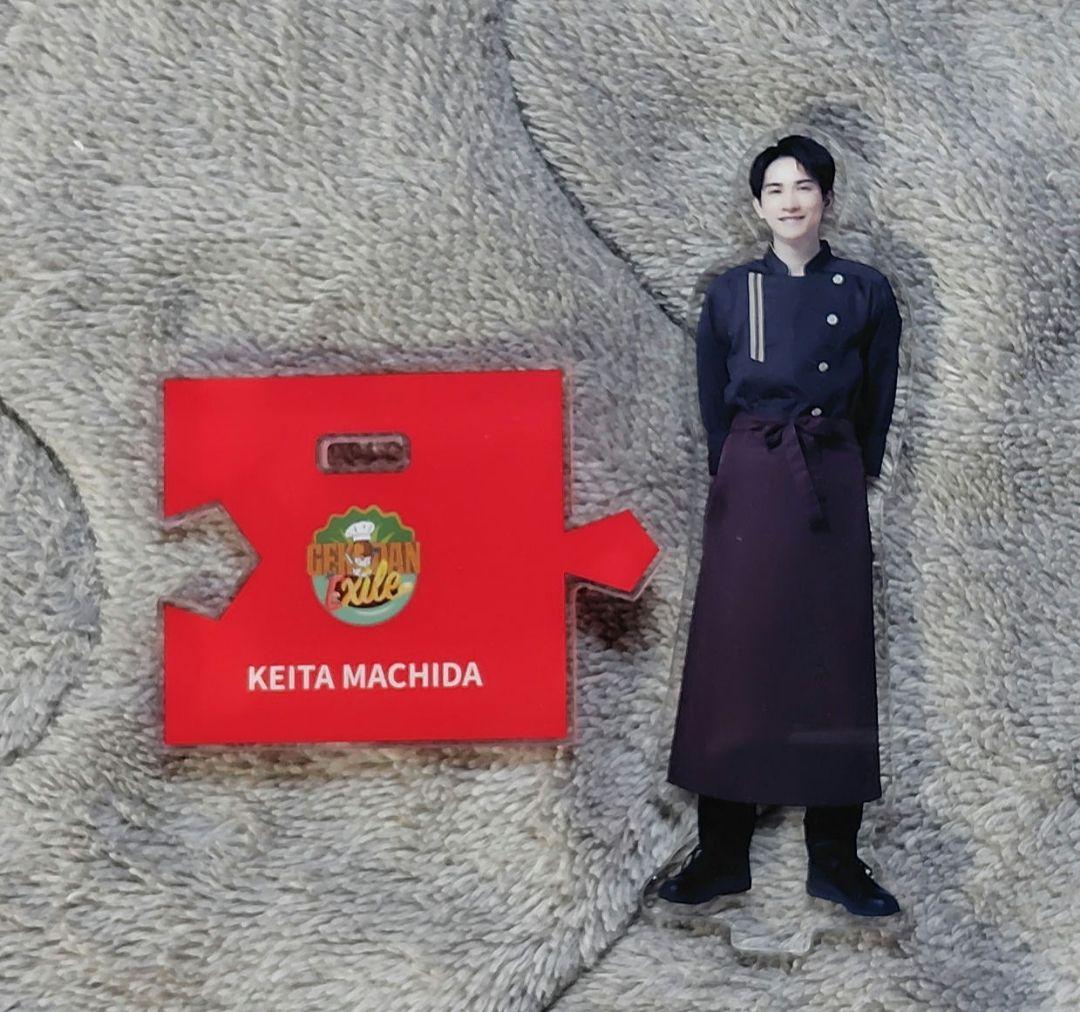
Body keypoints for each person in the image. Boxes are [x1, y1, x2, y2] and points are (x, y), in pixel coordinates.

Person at [661, 135, 903, 917]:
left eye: (804, 186)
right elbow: (713, 399)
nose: (790, 200)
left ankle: (835, 857)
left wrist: (846, 465)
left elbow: (879, 398)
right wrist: (740, 469)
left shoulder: (867, 290)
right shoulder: (731, 293)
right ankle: (721, 854)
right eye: (775, 188)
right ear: (757, 205)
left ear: (827, 197)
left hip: (830, 474)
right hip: (753, 475)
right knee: (735, 657)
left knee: (835, 659)